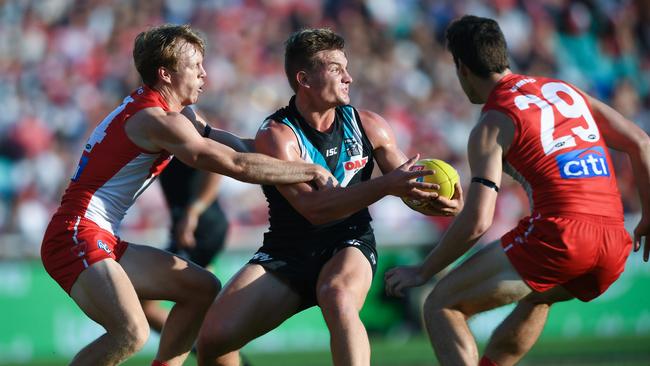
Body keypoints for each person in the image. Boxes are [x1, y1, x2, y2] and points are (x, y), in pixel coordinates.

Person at [40, 24, 335, 366]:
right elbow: (234, 164)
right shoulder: (155, 119)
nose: (204, 74)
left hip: (97, 235)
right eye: (195, 66)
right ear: (165, 74)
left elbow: (238, 147)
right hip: (75, 234)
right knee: (131, 332)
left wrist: (304, 153)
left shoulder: (174, 114)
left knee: (201, 288)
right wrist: (309, 170)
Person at [385, 15, 650, 366]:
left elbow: (479, 221)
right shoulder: (564, 91)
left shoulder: (492, 123)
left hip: (562, 235)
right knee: (537, 295)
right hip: (615, 240)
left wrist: (423, 270)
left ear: (462, 68)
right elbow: (640, 141)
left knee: (441, 304)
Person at [195, 28, 463, 366]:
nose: (348, 77)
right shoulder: (277, 135)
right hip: (287, 252)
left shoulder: (370, 125)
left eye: (346, 67)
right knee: (212, 341)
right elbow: (314, 209)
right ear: (304, 78)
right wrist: (387, 185)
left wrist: (444, 201)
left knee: (337, 296)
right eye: (335, 68)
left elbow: (410, 184)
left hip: (349, 242)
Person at [141, 156, 228, 335]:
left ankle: (207, 347)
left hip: (199, 230)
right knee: (204, 305)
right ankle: (207, 347)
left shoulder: (186, 134)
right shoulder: (166, 140)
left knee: (144, 301)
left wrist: (192, 212)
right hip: (192, 229)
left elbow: (213, 169)